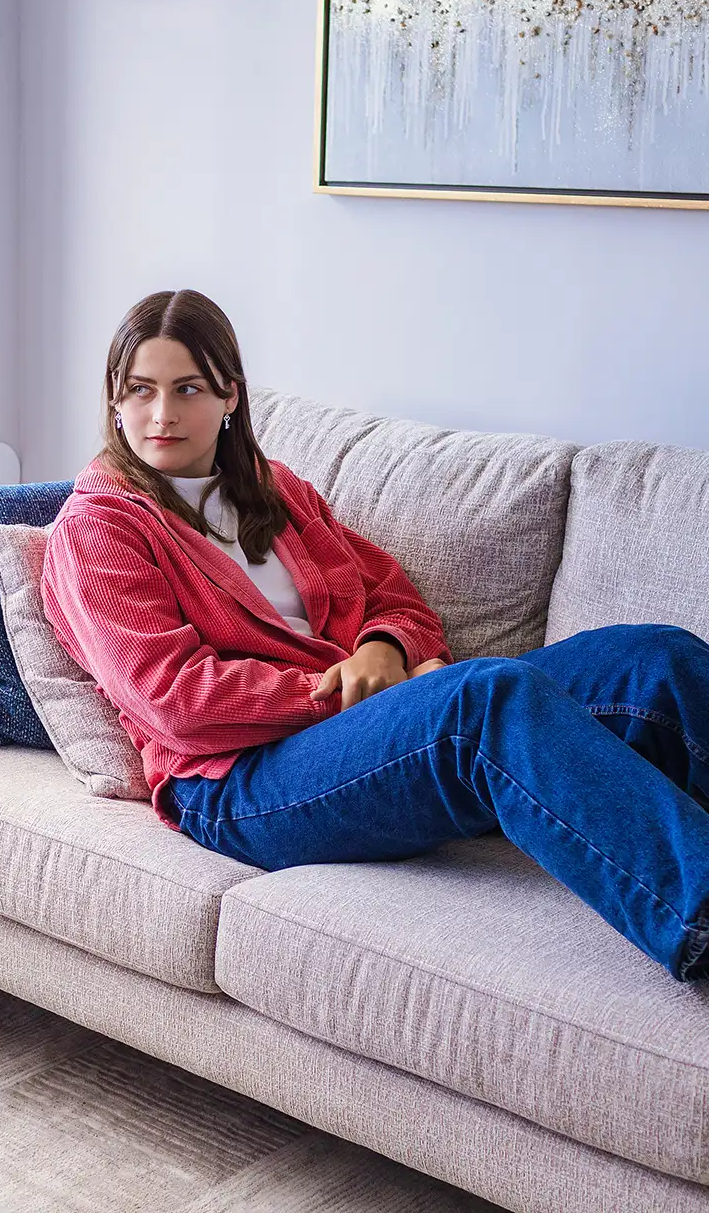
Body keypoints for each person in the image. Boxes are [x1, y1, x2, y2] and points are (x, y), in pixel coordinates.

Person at [40, 288, 709, 983]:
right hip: (235, 780)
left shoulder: (279, 492)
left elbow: (396, 599)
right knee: (484, 701)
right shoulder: (102, 527)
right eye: (139, 390)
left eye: (188, 388)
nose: (162, 414)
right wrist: (349, 691)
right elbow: (174, 699)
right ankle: (699, 917)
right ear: (114, 400)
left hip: (362, 730)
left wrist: (383, 649)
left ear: (231, 395)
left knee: (652, 656)